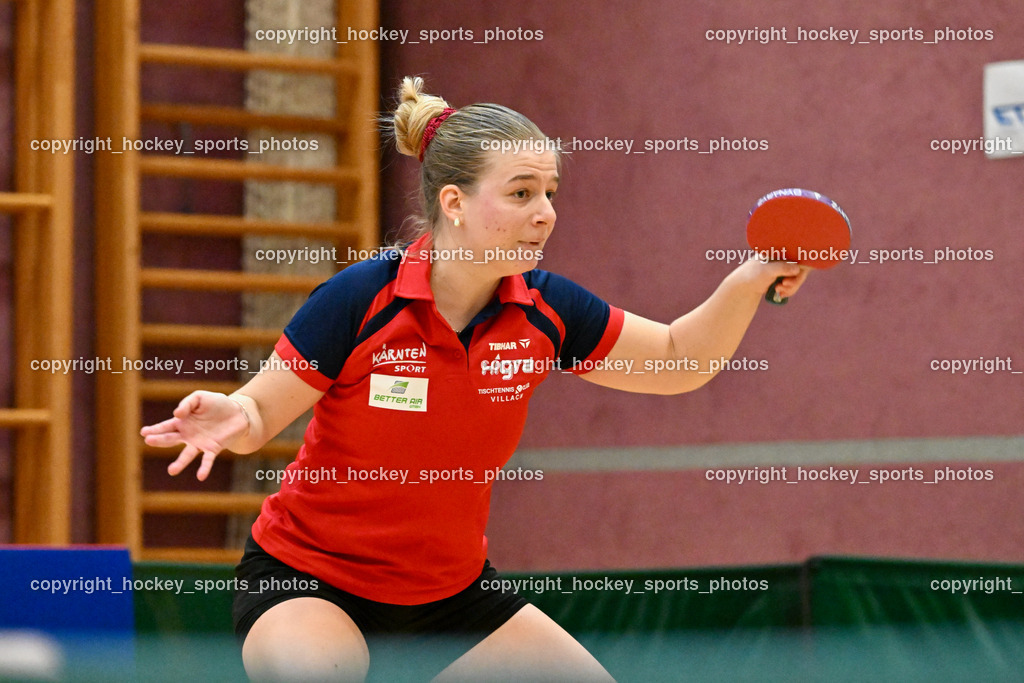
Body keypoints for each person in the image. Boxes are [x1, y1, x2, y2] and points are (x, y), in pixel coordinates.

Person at [140, 76, 808, 682]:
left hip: (450, 596)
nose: (545, 211)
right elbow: (259, 414)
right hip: (310, 581)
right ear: (454, 202)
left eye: (550, 192)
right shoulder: (360, 299)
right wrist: (235, 414)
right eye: (521, 193)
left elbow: (674, 359)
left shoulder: (547, 310)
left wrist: (749, 278)